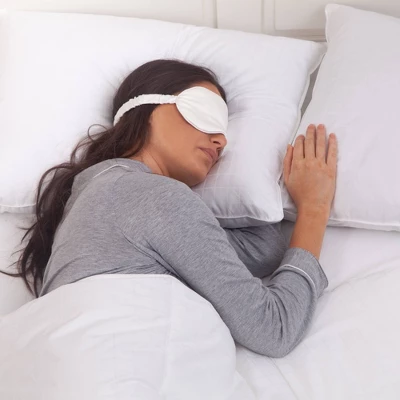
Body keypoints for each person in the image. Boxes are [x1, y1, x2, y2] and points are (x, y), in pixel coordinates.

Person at [3, 59, 337, 358]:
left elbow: (261, 252)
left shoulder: (100, 192)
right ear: (146, 107)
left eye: (224, 128)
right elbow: (274, 328)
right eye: (206, 112)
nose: (221, 140)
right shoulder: (150, 196)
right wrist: (315, 206)